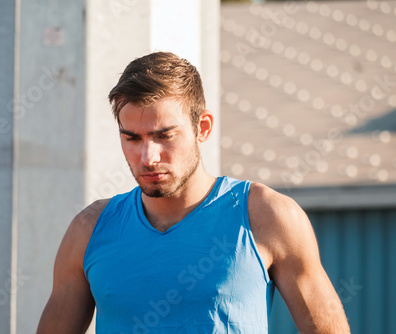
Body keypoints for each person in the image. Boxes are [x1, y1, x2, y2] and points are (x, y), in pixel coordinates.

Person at [36, 52, 350, 333]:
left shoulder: (268, 215)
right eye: (132, 138)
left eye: (164, 135)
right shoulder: (88, 229)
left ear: (203, 128)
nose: (148, 157)